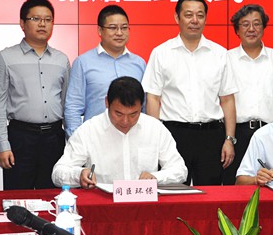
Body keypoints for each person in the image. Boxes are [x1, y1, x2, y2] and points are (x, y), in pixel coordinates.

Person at [142, 0, 237, 186]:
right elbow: (153, 99)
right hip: (174, 134)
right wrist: (155, 139)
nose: (195, 20)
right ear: (177, 18)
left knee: (210, 194)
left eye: (200, 15)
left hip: (211, 135)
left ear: (205, 19)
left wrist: (229, 139)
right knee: (172, 192)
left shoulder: (219, 54)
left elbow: (227, 100)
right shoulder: (161, 53)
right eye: (188, 15)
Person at [0, 0, 70, 190]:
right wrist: (3, 145)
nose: (43, 24)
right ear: (22, 23)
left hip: (54, 138)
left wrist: (71, 146)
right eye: (36, 19)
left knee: (52, 197)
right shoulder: (6, 58)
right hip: (20, 138)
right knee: (17, 198)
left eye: (48, 19)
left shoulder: (62, 60)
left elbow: (67, 103)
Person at [52, 76, 187, 188]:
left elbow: (180, 170)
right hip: (103, 204)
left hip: (144, 203)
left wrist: (156, 177)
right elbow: (58, 173)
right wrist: (79, 174)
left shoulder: (155, 128)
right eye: (118, 113)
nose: (125, 121)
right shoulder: (89, 130)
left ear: (142, 106)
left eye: (133, 114)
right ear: (107, 102)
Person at [224, 4, 273, 185]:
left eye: (256, 24)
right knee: (236, 186)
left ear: (264, 28)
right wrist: (228, 139)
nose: (251, 29)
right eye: (245, 24)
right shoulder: (226, 59)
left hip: (272, 133)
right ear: (237, 30)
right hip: (237, 135)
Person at [64, 5, 146, 136]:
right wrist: (77, 139)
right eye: (113, 28)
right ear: (100, 30)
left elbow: (144, 106)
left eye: (124, 28)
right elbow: (73, 106)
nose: (119, 33)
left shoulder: (139, 63)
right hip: (95, 137)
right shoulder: (83, 62)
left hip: (133, 137)